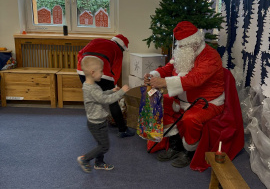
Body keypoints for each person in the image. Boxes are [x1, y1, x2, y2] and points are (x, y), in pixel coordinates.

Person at [144, 21, 225, 168]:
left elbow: (195, 80)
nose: (180, 48)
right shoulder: (183, 52)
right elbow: (169, 68)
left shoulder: (210, 56)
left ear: (195, 43)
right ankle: (176, 145)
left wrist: (164, 83)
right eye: (179, 46)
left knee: (191, 118)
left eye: (184, 46)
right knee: (160, 101)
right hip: (182, 97)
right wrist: (153, 75)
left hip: (207, 100)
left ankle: (189, 151)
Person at [77, 56, 130, 173]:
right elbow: (105, 100)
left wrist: (111, 91)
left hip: (99, 121)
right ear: (92, 72)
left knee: (101, 144)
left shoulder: (91, 86)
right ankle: (85, 159)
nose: (102, 74)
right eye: (101, 71)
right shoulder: (92, 89)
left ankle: (99, 163)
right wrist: (121, 92)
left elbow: (100, 95)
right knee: (104, 146)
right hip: (96, 123)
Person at [77, 34, 135, 138]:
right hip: (102, 72)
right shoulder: (118, 50)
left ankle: (94, 123)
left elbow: (80, 54)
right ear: (122, 47)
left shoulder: (97, 40)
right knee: (112, 101)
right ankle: (122, 130)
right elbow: (116, 70)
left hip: (83, 69)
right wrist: (114, 88)